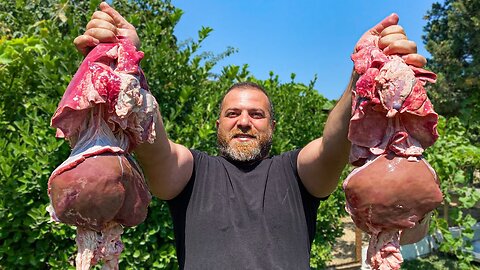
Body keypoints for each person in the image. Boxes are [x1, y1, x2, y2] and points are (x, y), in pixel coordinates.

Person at [74, 2, 428, 269]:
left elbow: (334, 142)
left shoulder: (297, 173)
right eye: (233, 113)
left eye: (256, 114)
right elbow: (155, 147)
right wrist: (128, 69)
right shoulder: (191, 172)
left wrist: (363, 74)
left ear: (271, 126)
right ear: (218, 125)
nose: (244, 121)